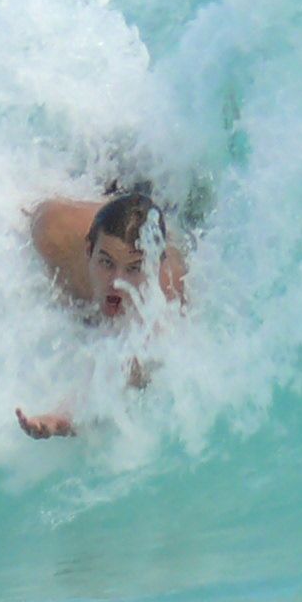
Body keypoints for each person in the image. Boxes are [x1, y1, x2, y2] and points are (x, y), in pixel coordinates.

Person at [16, 181, 188, 440]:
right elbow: (35, 213)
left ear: (154, 265)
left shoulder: (167, 296)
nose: (117, 282)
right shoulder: (54, 235)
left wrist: (62, 418)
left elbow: (128, 372)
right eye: (106, 263)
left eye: (133, 269)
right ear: (89, 251)